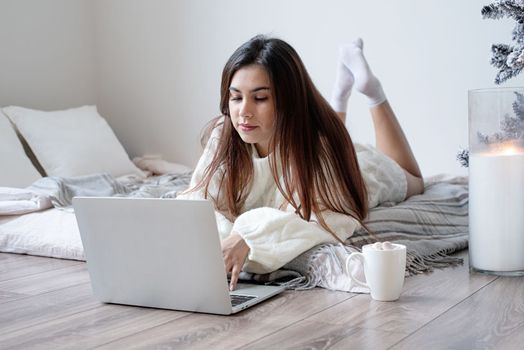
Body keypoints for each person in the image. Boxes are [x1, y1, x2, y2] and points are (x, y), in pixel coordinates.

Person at [177, 35, 424, 290]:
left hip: (344, 171)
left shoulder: (320, 150)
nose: (244, 111)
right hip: (313, 145)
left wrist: (246, 237)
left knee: (414, 180)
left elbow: (314, 222)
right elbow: (196, 203)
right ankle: (339, 94)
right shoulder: (225, 132)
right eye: (236, 97)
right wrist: (228, 240)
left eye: (260, 98)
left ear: (288, 100)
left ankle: (371, 90)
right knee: (322, 135)